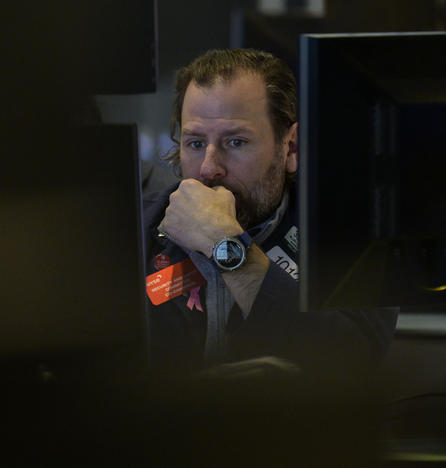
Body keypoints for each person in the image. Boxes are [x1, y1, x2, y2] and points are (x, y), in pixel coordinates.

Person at [143, 49, 397, 373]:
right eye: (194, 143)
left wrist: (224, 243)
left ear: (289, 147)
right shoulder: (134, 227)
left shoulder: (351, 235)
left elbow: (352, 360)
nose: (208, 168)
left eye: (236, 142)